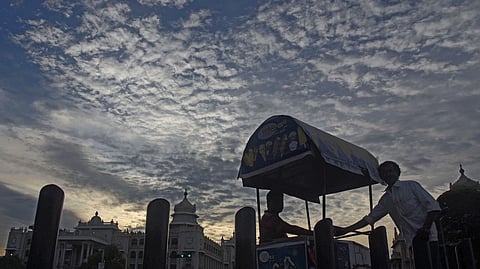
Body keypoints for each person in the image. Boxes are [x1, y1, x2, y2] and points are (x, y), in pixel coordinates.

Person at [334, 161, 441, 267]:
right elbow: (370, 219)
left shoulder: (411, 186)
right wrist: (345, 230)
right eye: (384, 172)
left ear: (397, 172)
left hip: (428, 238)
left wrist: (426, 228)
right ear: (381, 176)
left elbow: (433, 207)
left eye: (391, 171)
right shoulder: (386, 200)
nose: (388, 174)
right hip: (411, 241)